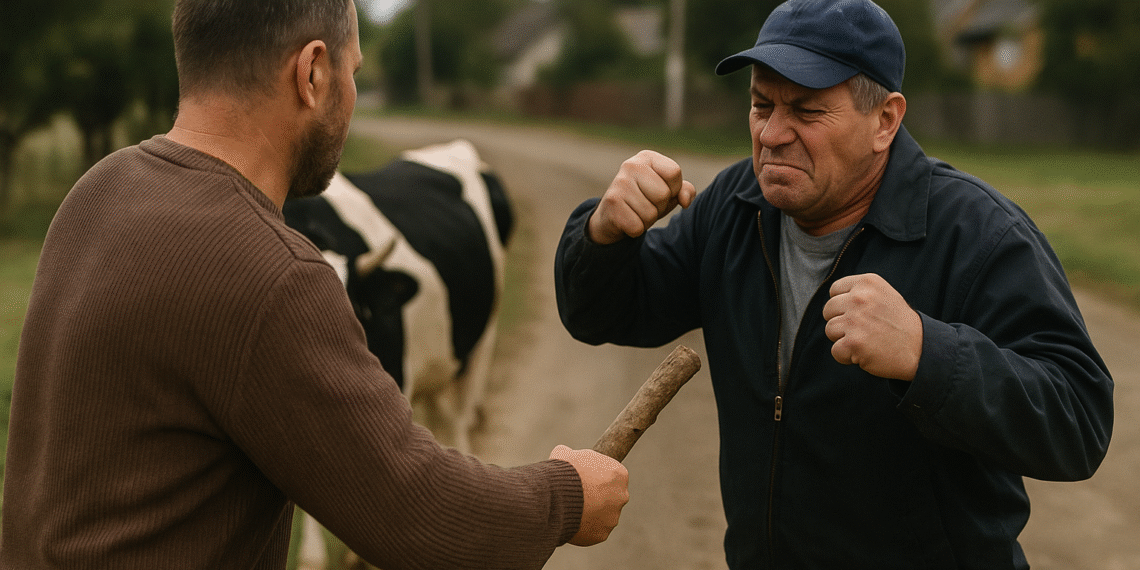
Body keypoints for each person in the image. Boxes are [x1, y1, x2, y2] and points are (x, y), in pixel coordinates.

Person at [0, 0, 628, 568]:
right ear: (313, 73)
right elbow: (417, 511)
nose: (352, 96)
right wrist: (566, 496)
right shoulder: (272, 274)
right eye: (353, 71)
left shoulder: (102, 189)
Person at [554, 0, 1113, 568]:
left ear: (885, 121)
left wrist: (928, 352)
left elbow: (1080, 421)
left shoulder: (977, 235)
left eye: (806, 110)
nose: (772, 134)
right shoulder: (735, 206)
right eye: (761, 104)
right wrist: (603, 236)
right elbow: (603, 314)